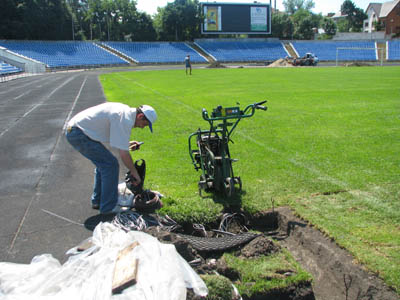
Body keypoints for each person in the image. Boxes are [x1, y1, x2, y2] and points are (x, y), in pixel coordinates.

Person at [65, 102, 157, 214]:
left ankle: (98, 201)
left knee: (103, 164)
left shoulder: (124, 112)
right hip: (78, 132)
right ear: (140, 116)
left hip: (77, 130)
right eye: (145, 124)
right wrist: (134, 173)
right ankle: (108, 207)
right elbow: (124, 154)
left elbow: (115, 135)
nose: (142, 127)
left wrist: (125, 143)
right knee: (110, 165)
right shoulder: (125, 119)